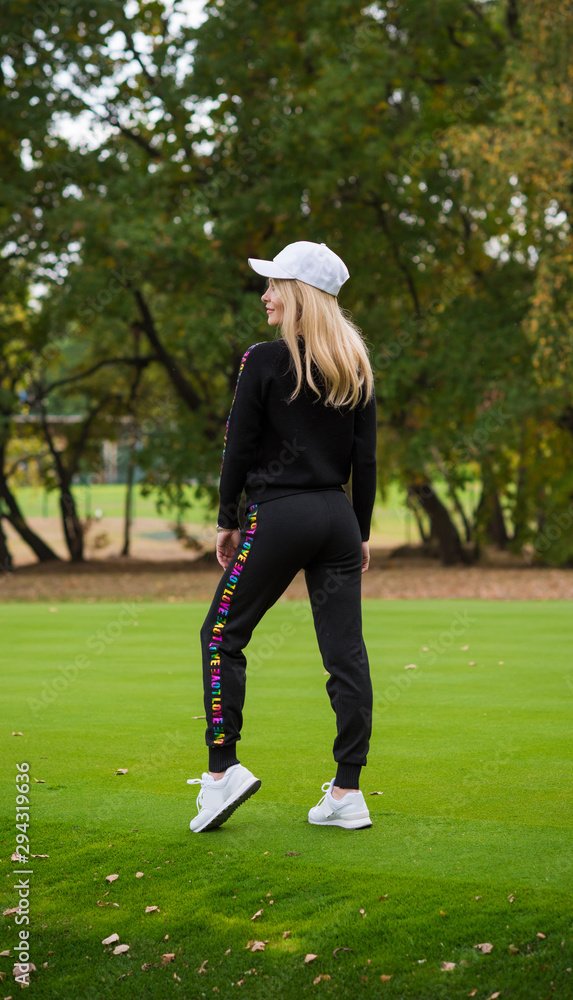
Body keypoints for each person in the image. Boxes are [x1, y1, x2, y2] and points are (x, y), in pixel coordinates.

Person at [187, 241, 376, 833]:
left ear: (298, 294)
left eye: (274, 285)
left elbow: (238, 445)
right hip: (338, 520)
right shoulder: (356, 364)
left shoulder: (262, 361)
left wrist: (226, 517)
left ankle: (222, 773)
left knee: (220, 634)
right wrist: (361, 531)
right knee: (345, 655)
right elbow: (365, 460)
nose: (265, 295)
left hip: (281, 516)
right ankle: (348, 791)